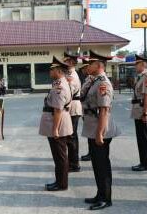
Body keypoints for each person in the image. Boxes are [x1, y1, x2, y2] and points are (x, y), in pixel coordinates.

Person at [81, 50, 118, 210]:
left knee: (102, 165)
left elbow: (104, 110)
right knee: (97, 164)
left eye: (91, 63)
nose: (88, 66)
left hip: (100, 128)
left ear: (99, 65)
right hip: (93, 126)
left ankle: (105, 198)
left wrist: (100, 133)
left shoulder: (103, 83)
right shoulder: (95, 81)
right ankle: (100, 194)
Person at [39, 56, 73, 192]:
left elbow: (58, 110)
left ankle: (62, 184)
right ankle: (59, 181)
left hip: (58, 124)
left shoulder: (60, 86)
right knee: (59, 157)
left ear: (58, 71)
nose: (49, 72)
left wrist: (55, 130)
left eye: (51, 70)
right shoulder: (59, 83)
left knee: (60, 157)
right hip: (58, 122)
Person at [131, 55, 147, 171]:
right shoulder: (141, 77)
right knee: (141, 138)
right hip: (139, 110)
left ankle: (146, 163)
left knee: (144, 139)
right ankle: (143, 162)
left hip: (143, 110)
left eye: (137, 64)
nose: (135, 66)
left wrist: (145, 113)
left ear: (143, 65)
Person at [63, 52, 83, 172]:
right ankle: (72, 161)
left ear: (71, 62)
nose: (64, 62)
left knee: (71, 136)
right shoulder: (68, 74)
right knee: (70, 137)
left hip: (73, 108)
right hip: (71, 107)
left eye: (66, 60)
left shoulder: (72, 76)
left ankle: (74, 164)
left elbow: (68, 94)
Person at [79, 57, 93, 162]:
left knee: (92, 133)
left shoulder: (91, 79)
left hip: (91, 110)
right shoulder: (87, 79)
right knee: (89, 133)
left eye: (84, 68)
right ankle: (91, 152)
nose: (83, 70)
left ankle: (92, 153)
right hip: (86, 110)